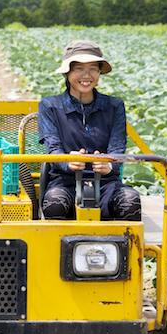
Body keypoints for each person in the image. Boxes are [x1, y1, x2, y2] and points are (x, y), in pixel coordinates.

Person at [37, 40, 141, 221]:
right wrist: (67, 162)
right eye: (79, 68)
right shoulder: (50, 106)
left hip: (106, 183)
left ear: (100, 72)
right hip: (64, 181)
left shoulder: (115, 106)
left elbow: (117, 148)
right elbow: (53, 148)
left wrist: (108, 165)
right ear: (67, 72)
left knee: (129, 201)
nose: (87, 75)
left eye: (93, 68)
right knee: (55, 202)